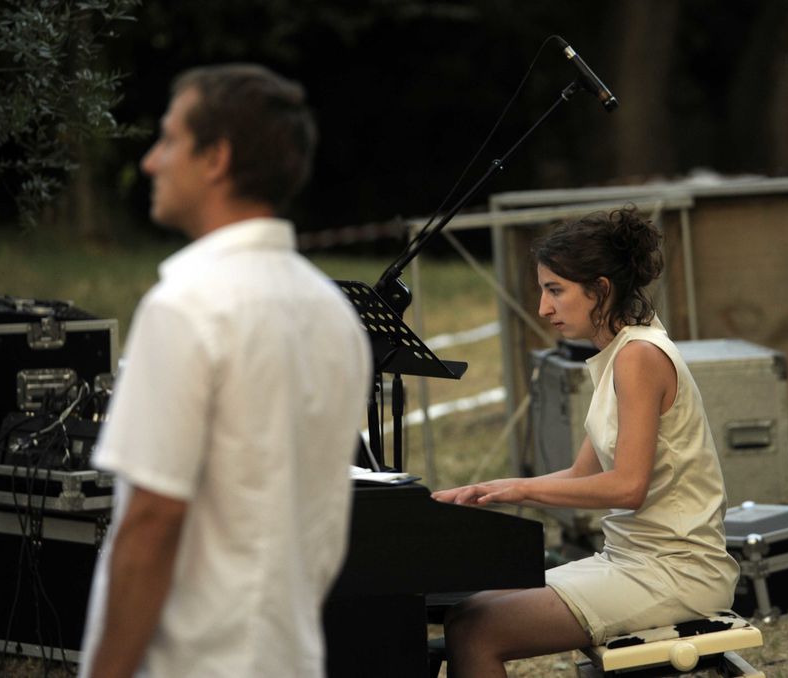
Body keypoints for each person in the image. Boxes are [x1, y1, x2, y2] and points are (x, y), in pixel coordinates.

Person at [79, 64, 371, 678]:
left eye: (168, 140)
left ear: (216, 158)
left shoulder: (187, 305)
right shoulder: (333, 313)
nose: (152, 161)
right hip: (289, 652)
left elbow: (151, 520)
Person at [431, 208, 739, 678]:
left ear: (600, 290)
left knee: (478, 631)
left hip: (678, 572)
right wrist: (494, 487)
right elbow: (582, 475)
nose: (543, 308)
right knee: (464, 611)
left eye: (555, 290)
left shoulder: (639, 357)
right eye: (543, 290)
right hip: (632, 560)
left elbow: (626, 488)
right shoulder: (618, 353)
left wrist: (522, 491)